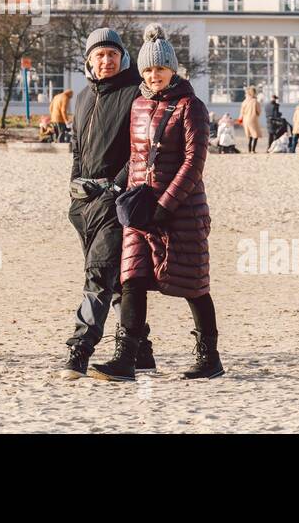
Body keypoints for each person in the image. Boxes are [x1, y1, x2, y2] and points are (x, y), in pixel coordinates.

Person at [91, 24, 221, 382]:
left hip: (183, 210)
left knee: (193, 285)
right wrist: (126, 199)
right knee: (131, 279)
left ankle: (209, 357)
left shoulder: (191, 106)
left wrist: (166, 205)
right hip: (141, 210)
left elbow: (194, 162)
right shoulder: (138, 104)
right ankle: (127, 358)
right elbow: (135, 158)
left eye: (160, 69)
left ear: (172, 69)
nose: (154, 75)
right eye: (148, 69)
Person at [60, 27, 154, 379]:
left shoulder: (135, 94)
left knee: (99, 274)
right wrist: (74, 190)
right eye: (99, 55)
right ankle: (141, 349)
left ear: (123, 57)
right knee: (112, 280)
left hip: (118, 204)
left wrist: (114, 187)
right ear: (89, 60)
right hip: (83, 207)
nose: (106, 60)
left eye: (112, 54)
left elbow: (141, 150)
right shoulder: (83, 98)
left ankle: (80, 349)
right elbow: (77, 152)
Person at [239, 86, 263, 153]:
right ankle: (253, 150)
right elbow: (259, 111)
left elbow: (241, 112)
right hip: (253, 119)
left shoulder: (244, 102)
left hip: (245, 120)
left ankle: (249, 150)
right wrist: (257, 114)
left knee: (249, 135)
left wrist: (240, 119)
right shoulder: (255, 101)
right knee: (255, 135)